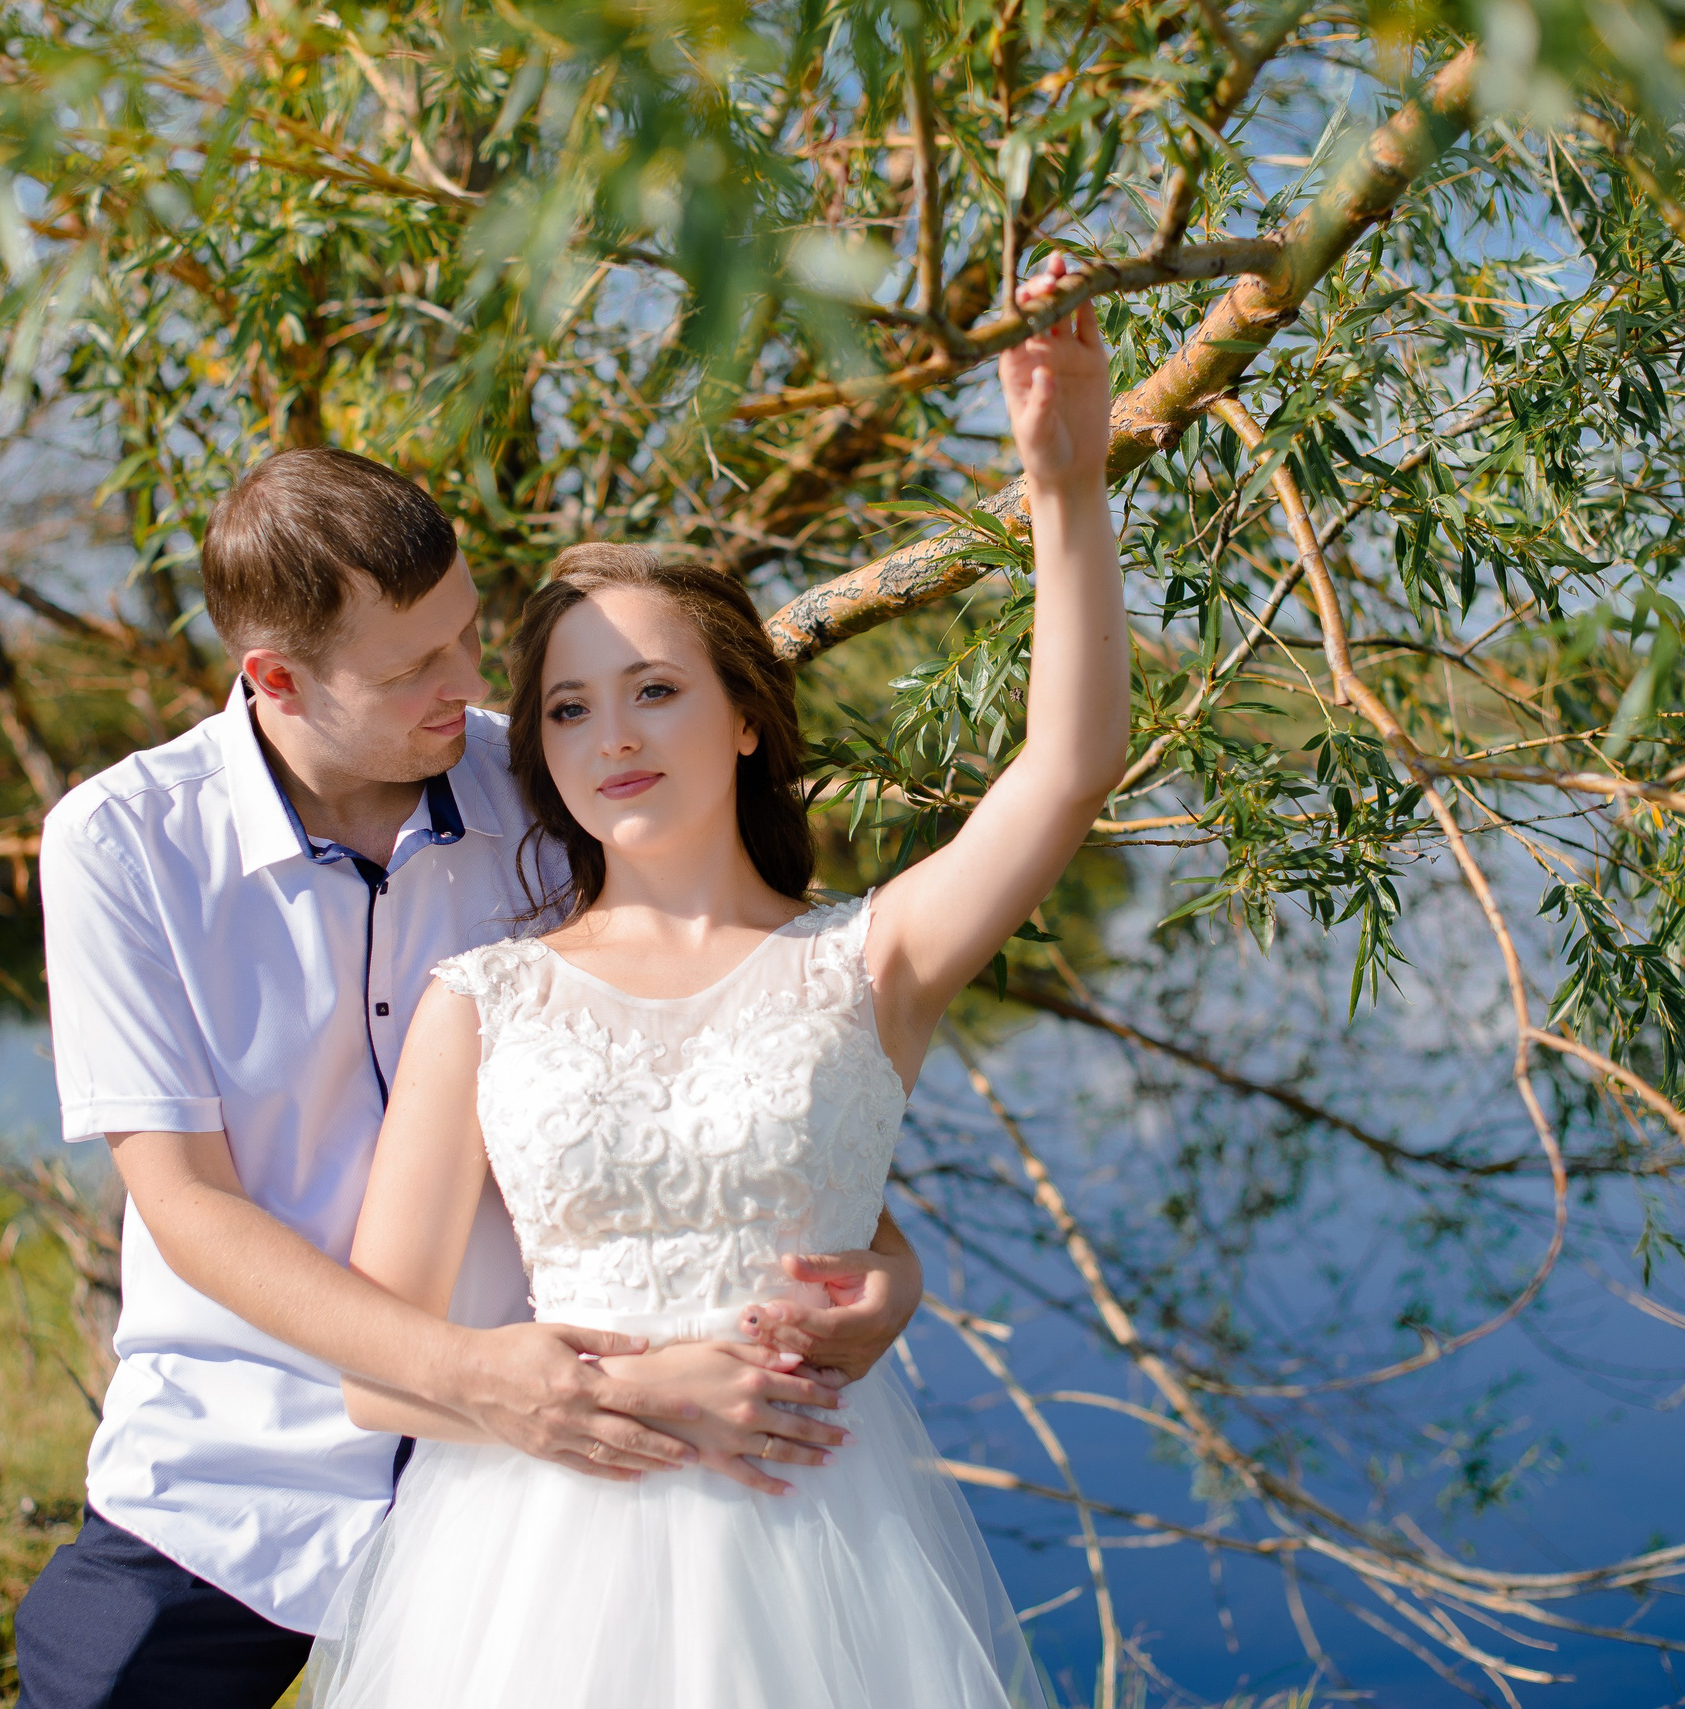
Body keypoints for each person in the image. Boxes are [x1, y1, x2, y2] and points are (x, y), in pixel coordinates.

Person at [319, 257, 1125, 1706]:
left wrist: (1067, 489)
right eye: (569, 706)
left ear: (747, 718)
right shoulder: (482, 999)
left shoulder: (871, 958)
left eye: (656, 689)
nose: (612, 733)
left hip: (818, 1555)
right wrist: (645, 1393)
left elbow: (1064, 768)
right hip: (535, 1570)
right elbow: (383, 1370)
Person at [14, 446, 927, 1709]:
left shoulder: (549, 775)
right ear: (273, 678)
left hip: (570, 1478)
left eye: (464, 636)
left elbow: (722, 1045)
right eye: (412, 669)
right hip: (243, 1465)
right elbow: (186, 1205)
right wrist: (476, 1379)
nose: (469, 687)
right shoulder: (125, 843)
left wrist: (883, 1252)